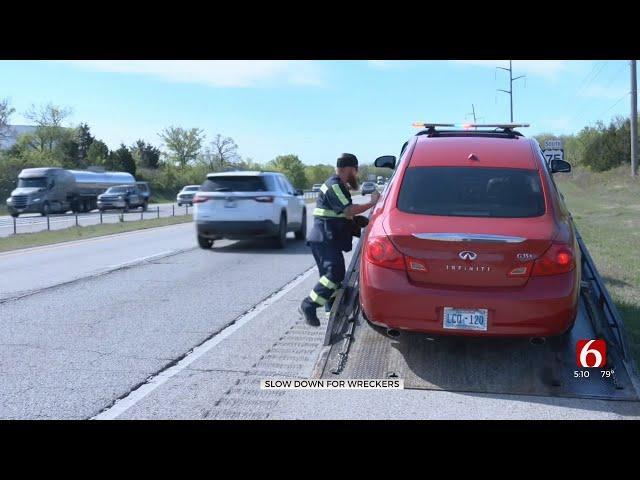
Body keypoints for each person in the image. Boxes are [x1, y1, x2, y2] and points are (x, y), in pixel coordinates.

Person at [299, 153, 380, 326]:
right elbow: (348, 210)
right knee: (334, 275)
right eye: (355, 170)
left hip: (328, 239)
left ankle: (332, 313)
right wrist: (372, 202)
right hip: (324, 239)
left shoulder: (339, 185)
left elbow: (340, 215)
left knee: (331, 279)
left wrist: (358, 222)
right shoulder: (334, 186)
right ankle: (308, 305)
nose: (356, 174)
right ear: (347, 169)